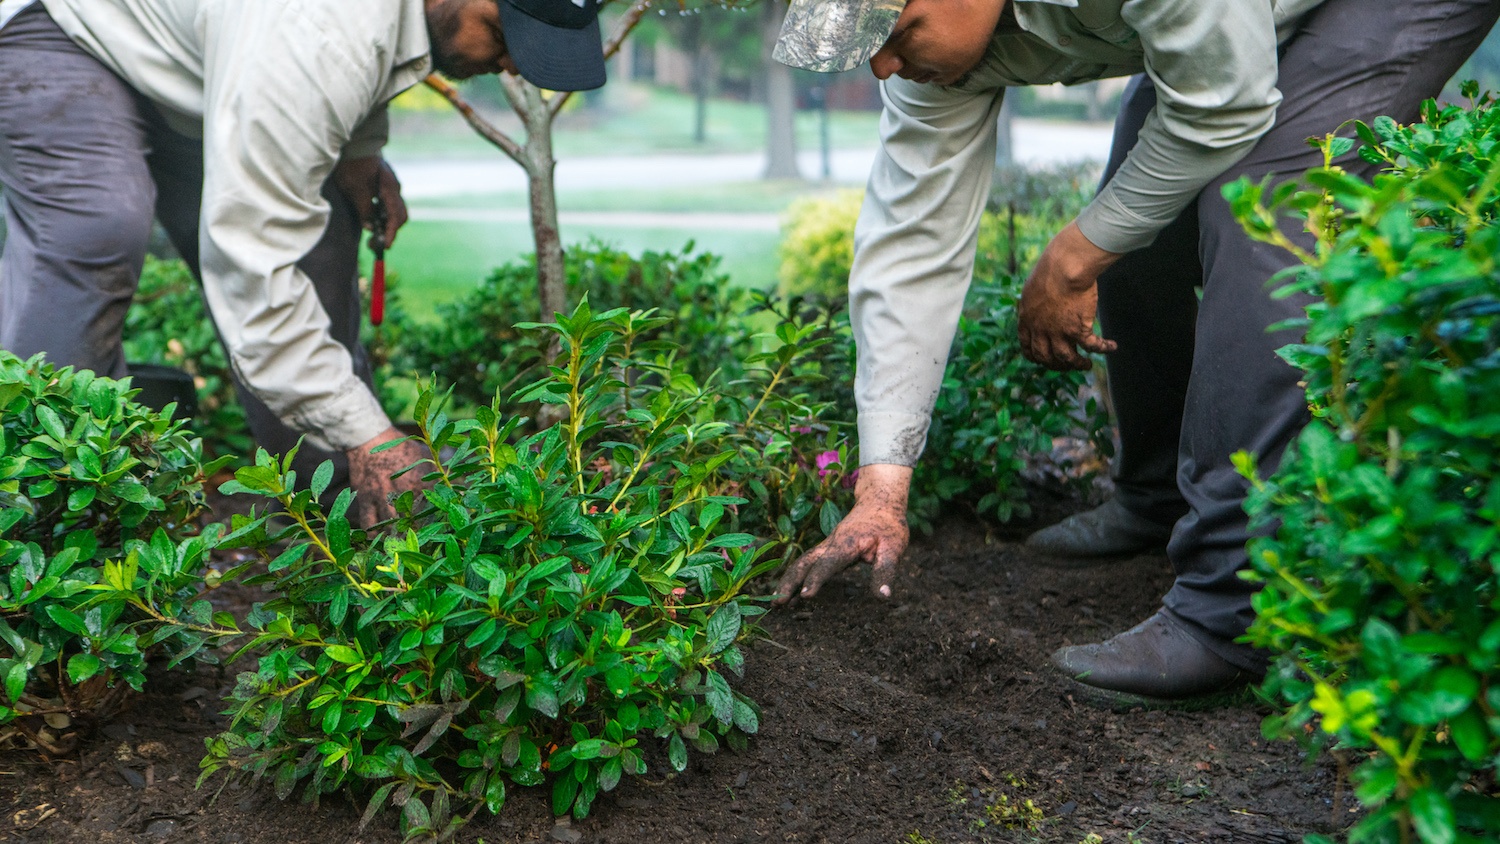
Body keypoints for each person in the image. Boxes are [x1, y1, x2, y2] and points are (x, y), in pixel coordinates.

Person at [772, 0, 1500, 706]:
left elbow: (1224, 107)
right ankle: (1158, 496)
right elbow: (912, 237)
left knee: (1267, 191)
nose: (879, 66)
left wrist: (1073, 256)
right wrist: (880, 494)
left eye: (894, 31)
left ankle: (1232, 610)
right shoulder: (932, 53)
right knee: (1150, 175)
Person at [0, 0, 605, 522]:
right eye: (502, 35)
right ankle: (39, 522)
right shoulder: (316, 35)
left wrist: (359, 153)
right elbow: (252, 262)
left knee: (323, 226)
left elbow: (368, 58)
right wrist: (367, 430)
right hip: (70, 27)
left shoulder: (336, 38)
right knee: (96, 226)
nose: (511, 64)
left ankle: (340, 510)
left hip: (199, 53)